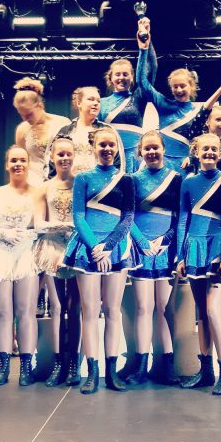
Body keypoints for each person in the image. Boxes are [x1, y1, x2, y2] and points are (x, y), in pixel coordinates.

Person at [62, 127, 136, 394]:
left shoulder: (126, 180)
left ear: (117, 148)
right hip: (88, 248)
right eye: (102, 145)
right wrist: (95, 247)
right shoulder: (83, 178)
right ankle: (92, 372)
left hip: (116, 248)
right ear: (94, 147)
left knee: (113, 311)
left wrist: (109, 247)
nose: (107, 149)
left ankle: (111, 372)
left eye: (111, 145)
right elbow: (78, 216)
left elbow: (128, 218)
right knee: (90, 312)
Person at [0, 146, 39, 386]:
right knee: (3, 312)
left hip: (26, 254)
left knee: (26, 311)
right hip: (0, 253)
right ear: (7, 164)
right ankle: (3, 365)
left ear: (28, 163)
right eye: (13, 160)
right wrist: (3, 233)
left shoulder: (38, 193)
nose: (18, 164)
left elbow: (43, 225)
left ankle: (26, 366)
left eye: (22, 160)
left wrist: (27, 235)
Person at [176, 133, 221, 395]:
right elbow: (183, 220)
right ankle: (206, 371)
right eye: (205, 149)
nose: (209, 152)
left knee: (213, 311)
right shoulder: (188, 182)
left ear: (219, 152)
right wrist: (180, 256)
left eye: (214, 148)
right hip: (194, 247)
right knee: (201, 313)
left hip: (217, 247)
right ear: (196, 152)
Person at [126, 131, 182, 386]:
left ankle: (167, 367)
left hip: (165, 251)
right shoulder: (133, 180)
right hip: (142, 251)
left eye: (155, 147)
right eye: (147, 148)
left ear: (163, 149)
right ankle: (140, 366)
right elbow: (128, 216)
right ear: (140, 152)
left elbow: (181, 217)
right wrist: (142, 242)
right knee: (143, 308)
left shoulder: (175, 179)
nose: (151, 152)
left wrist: (166, 240)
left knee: (163, 308)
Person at [34, 136, 81, 387]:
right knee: (57, 307)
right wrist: (64, 226)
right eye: (60, 154)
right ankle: (58, 363)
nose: (64, 158)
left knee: (74, 307)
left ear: (74, 155)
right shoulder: (43, 188)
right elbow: (38, 223)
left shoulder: (81, 183)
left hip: (76, 251)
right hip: (52, 250)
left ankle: (74, 363)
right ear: (52, 157)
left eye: (68, 153)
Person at [135, 28, 206, 175]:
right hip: (163, 164)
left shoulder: (198, 111)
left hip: (186, 166)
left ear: (191, 86)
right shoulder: (164, 105)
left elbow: (200, 142)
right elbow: (142, 82)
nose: (179, 90)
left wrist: (192, 158)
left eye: (182, 86)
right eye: (175, 86)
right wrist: (143, 50)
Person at [99, 20, 158, 173]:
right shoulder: (101, 103)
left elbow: (151, 70)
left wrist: (145, 46)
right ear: (110, 78)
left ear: (132, 77)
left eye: (126, 74)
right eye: (117, 74)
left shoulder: (138, 99)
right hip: (110, 157)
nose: (121, 78)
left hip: (133, 159)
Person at [49, 87, 124, 178]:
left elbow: (118, 163)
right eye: (91, 99)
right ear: (79, 103)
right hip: (71, 183)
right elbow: (52, 162)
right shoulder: (65, 131)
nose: (95, 103)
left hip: (99, 183)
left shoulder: (107, 131)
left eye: (98, 101)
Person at [13, 77, 71, 187]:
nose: (25, 119)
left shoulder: (62, 123)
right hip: (32, 184)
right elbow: (21, 161)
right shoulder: (22, 130)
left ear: (40, 105)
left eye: (29, 114)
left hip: (58, 182)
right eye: (21, 115)